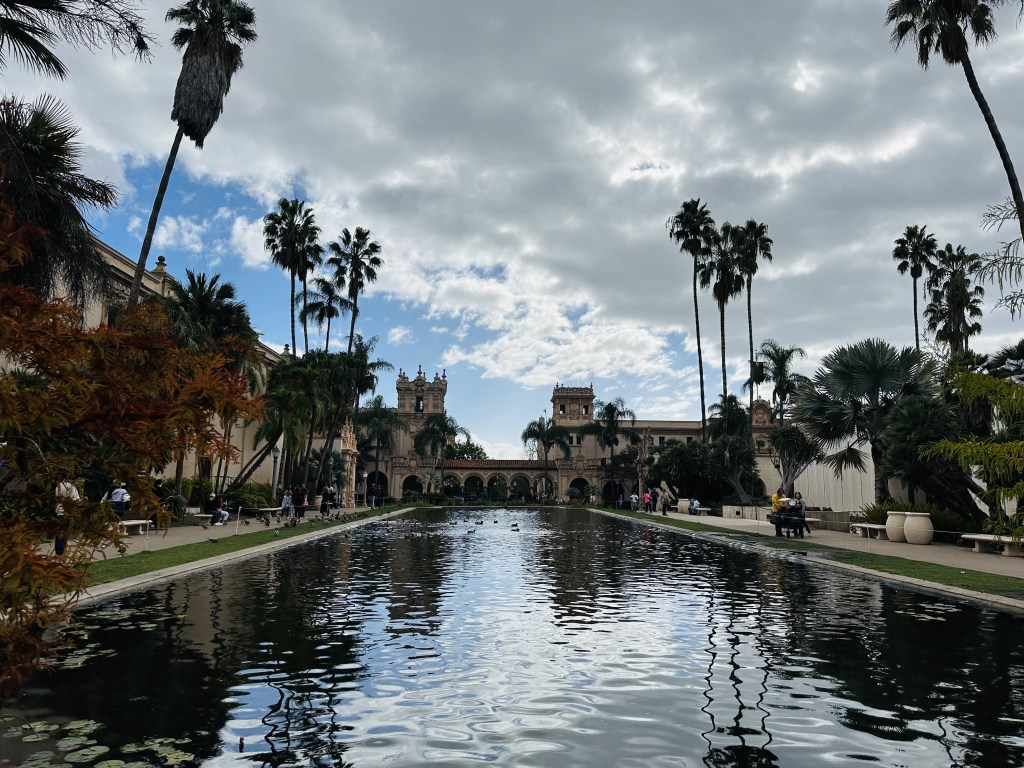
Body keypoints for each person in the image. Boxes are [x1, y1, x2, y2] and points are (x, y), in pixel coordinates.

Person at [54, 477, 80, 556]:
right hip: (67, 511)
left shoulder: (58, 486)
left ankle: (59, 549)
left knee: (60, 531)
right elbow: (75, 499)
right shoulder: (71, 486)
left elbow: (56, 498)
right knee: (65, 531)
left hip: (59, 511)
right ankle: (62, 550)